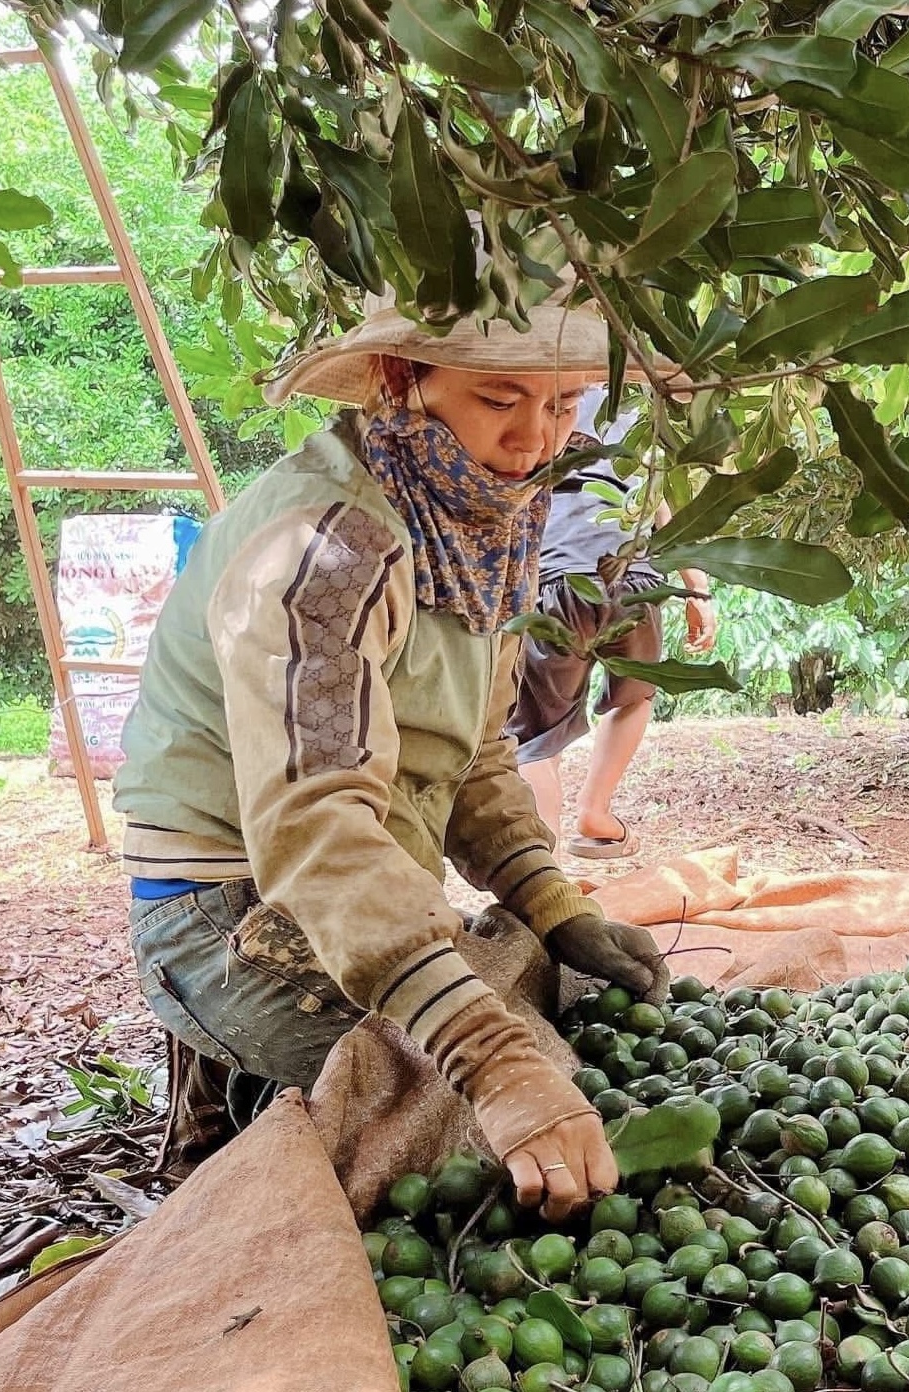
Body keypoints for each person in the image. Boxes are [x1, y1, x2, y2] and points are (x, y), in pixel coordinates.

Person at [112, 283, 671, 1215]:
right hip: (229, 908)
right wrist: (493, 1063)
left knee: (552, 1009)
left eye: (564, 402)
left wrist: (552, 904)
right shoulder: (328, 548)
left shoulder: (482, 518)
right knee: (491, 1121)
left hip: (346, 882)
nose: (536, 438)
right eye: (500, 399)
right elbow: (315, 823)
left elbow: (475, 755)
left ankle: (288, 1093)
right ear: (400, 378)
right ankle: (246, 1102)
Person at [510, 391, 716, 858]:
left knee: (536, 736)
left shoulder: (539, 396)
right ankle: (595, 811)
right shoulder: (641, 409)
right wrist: (697, 589)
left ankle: (545, 866)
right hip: (635, 583)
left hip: (559, 581)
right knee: (635, 697)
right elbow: (659, 503)